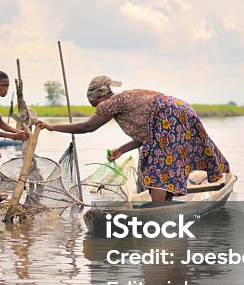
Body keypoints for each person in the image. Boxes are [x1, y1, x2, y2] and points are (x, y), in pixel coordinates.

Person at [36, 76, 230, 206]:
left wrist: (52, 127)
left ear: (101, 96)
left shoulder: (112, 102)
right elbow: (148, 135)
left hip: (167, 116)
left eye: (97, 105)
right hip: (179, 110)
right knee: (167, 165)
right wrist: (122, 149)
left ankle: (157, 215)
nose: (99, 110)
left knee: (157, 169)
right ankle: (165, 207)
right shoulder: (126, 100)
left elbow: (87, 127)